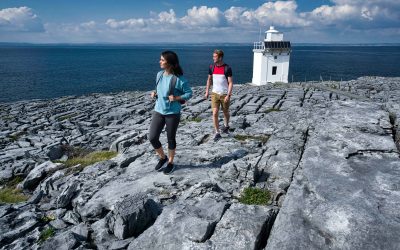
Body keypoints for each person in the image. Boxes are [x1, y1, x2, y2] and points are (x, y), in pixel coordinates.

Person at [149, 51, 192, 174]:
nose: (160, 61)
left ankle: (171, 162)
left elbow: (189, 93)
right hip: (158, 110)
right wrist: (155, 93)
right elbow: (159, 88)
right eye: (160, 59)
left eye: (162, 60)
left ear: (169, 62)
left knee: (170, 139)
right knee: (152, 137)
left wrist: (177, 98)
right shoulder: (159, 75)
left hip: (172, 113)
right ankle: (163, 157)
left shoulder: (179, 79)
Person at [204, 49, 233, 141]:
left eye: (215, 57)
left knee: (225, 112)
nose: (213, 58)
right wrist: (207, 91)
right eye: (213, 56)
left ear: (220, 57)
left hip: (224, 94)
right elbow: (209, 79)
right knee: (215, 113)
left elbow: (230, 82)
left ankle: (226, 125)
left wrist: (228, 95)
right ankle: (217, 132)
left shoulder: (227, 68)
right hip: (215, 94)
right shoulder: (211, 67)